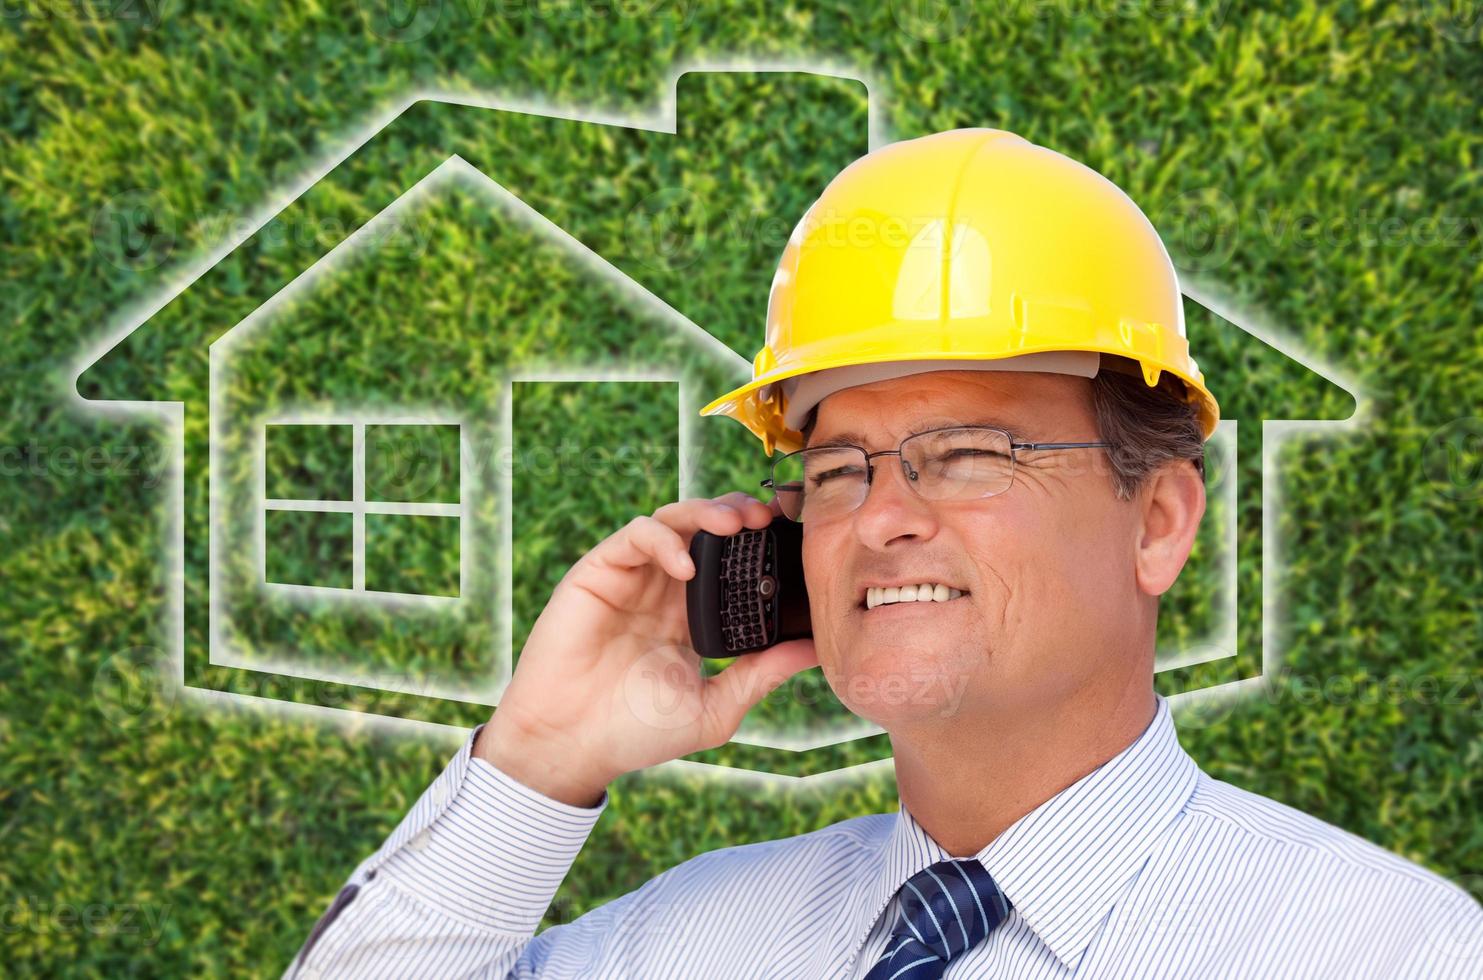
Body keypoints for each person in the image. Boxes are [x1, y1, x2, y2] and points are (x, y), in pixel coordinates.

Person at [287, 129, 1481, 978]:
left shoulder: (1395, 952)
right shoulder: (679, 945)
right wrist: (537, 761)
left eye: (966, 453)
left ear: (1158, 520)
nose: (880, 515)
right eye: (838, 467)